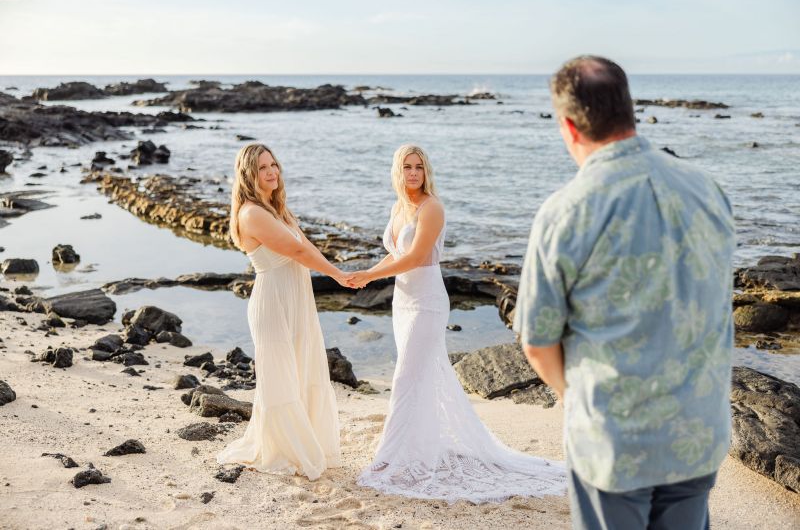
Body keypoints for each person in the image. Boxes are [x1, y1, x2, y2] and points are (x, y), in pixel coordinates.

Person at [514, 55, 736, 529]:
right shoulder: (707, 189)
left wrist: (574, 400)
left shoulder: (566, 212)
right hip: (697, 428)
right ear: (629, 110)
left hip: (615, 439)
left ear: (569, 127)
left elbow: (536, 339)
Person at [349, 144, 566, 503]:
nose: (413, 173)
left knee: (404, 376)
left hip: (428, 302)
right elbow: (396, 254)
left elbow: (417, 257)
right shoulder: (398, 208)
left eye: (419, 166)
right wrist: (365, 273)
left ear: (426, 171)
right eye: (407, 167)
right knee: (417, 377)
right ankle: (412, 447)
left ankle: (388, 457)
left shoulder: (432, 207)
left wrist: (370, 278)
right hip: (402, 301)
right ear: (397, 171)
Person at [217, 143, 349, 480]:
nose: (272, 171)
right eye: (263, 168)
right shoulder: (251, 213)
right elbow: (294, 249)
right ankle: (286, 450)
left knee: (302, 370)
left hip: (295, 299)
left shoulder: (276, 210)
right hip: (274, 301)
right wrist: (336, 274)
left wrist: (338, 269)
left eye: (273, 164)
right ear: (249, 174)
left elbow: (305, 245)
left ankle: (307, 443)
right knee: (281, 380)